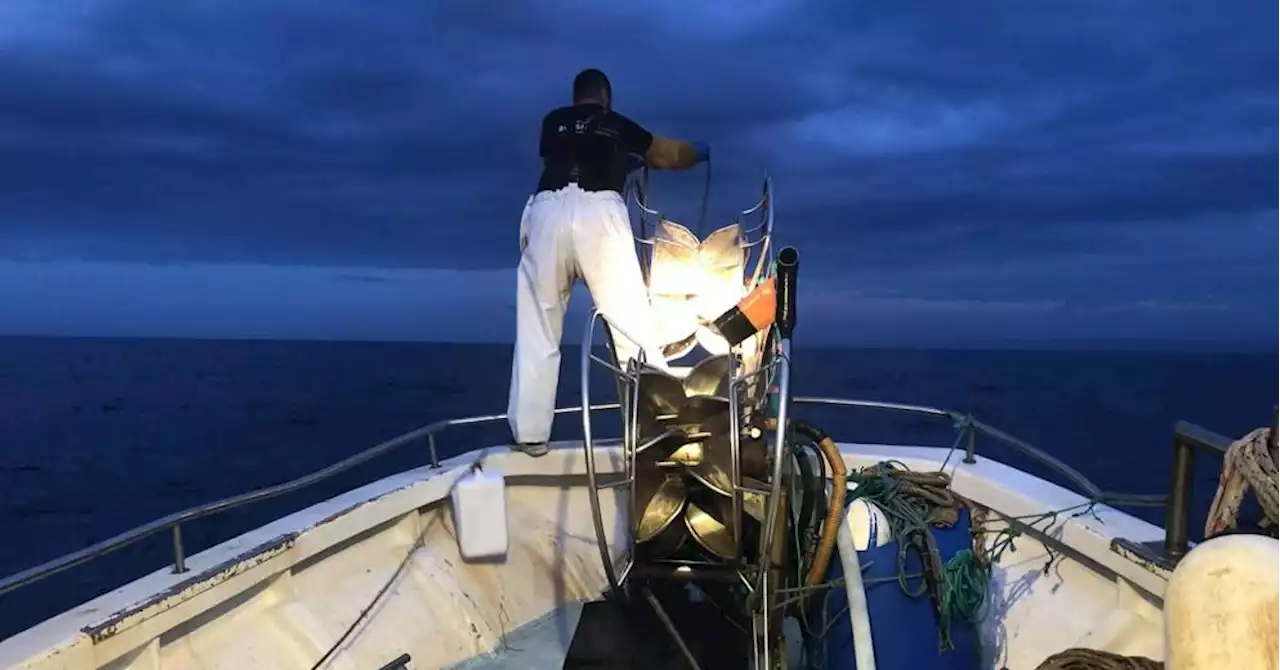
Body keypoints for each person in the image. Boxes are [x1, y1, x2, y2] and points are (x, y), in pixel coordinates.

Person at [508, 68, 710, 456]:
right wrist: (696, 152)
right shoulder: (615, 123)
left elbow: (573, 150)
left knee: (538, 325)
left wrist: (620, 159)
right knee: (629, 323)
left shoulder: (553, 122)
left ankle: (530, 433)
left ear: (575, 96)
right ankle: (658, 424)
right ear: (607, 98)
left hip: (546, 209)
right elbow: (667, 154)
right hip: (599, 211)